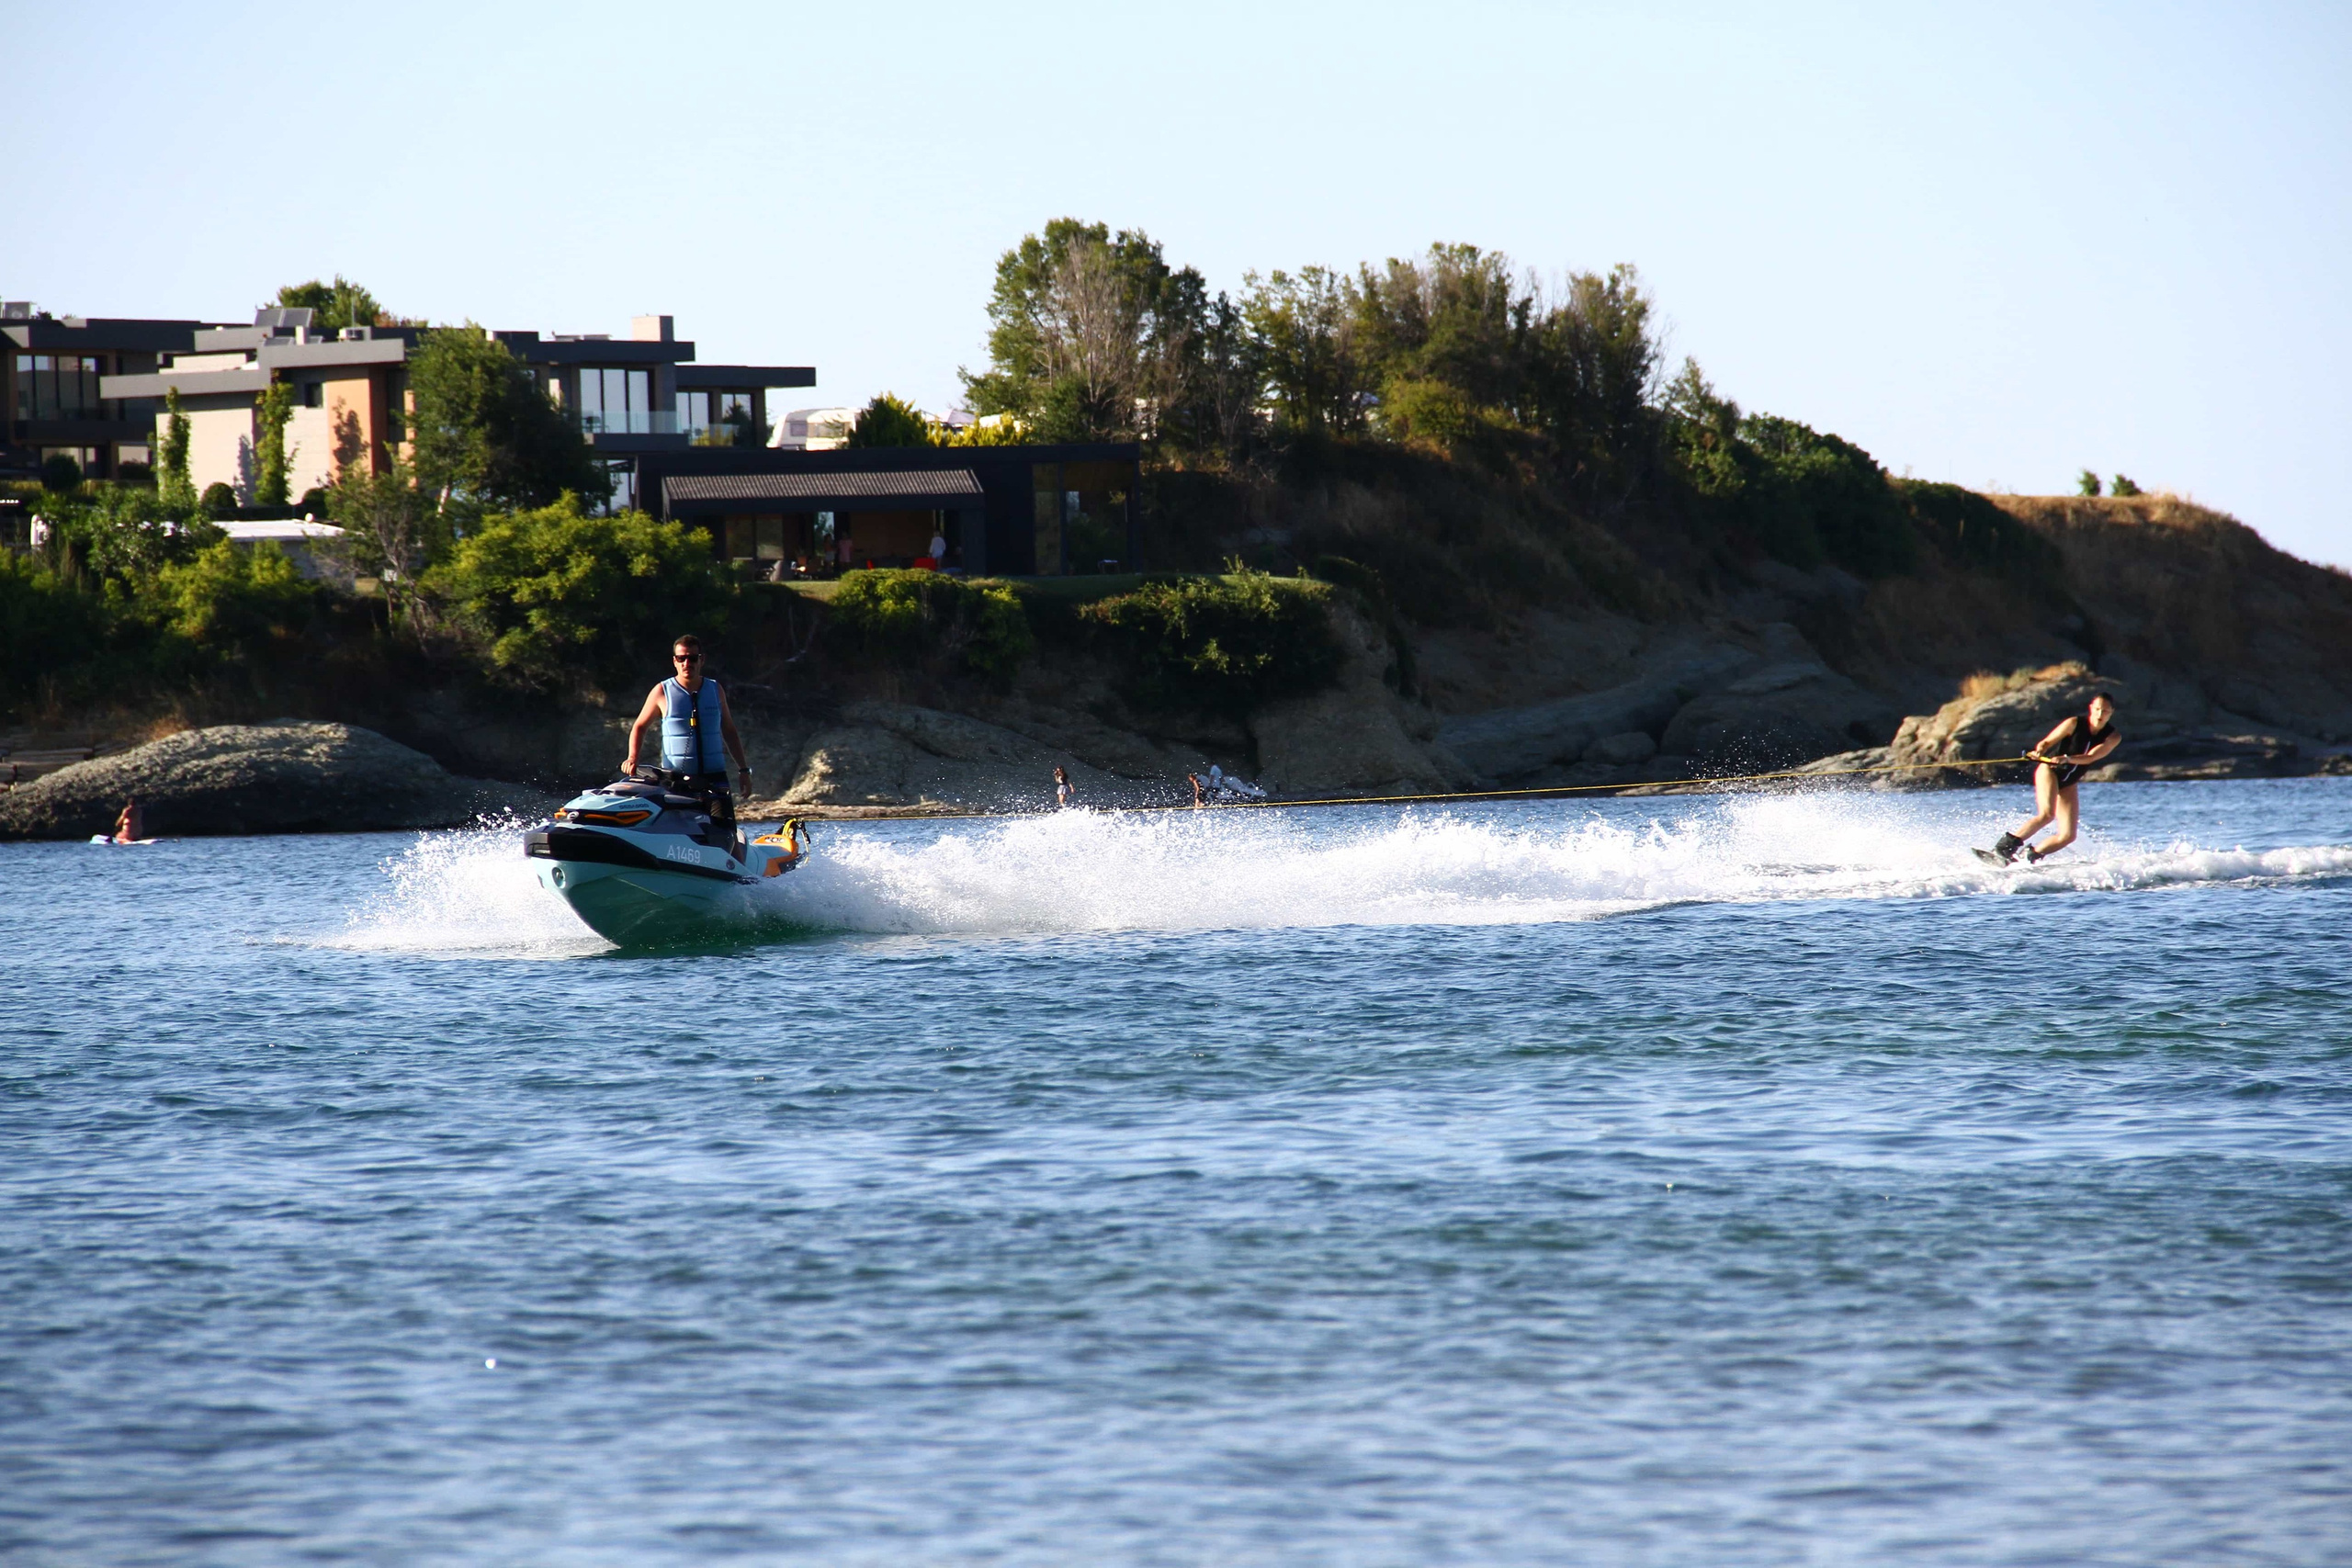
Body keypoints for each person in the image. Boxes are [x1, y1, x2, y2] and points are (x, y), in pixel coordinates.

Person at [1983, 692, 2121, 863]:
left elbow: (2092, 756)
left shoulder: (2113, 736)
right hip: (2050, 771)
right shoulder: (2073, 723)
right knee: (2047, 815)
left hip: (2069, 783)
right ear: (2091, 708)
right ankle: (2002, 849)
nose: (2100, 715)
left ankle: (2031, 855)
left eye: (2105, 711)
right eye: (2098, 709)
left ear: (2111, 712)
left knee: (2068, 836)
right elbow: (2047, 742)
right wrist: (2040, 750)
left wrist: (2068, 759)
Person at [622, 635, 754, 814]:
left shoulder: (715, 690)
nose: (686, 663)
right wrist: (632, 758)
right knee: (680, 832)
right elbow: (639, 726)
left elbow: (729, 731)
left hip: (715, 779)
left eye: (692, 658)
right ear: (674, 661)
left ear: (702, 660)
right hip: (676, 781)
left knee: (724, 833)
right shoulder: (662, 691)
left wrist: (743, 770)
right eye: (681, 658)